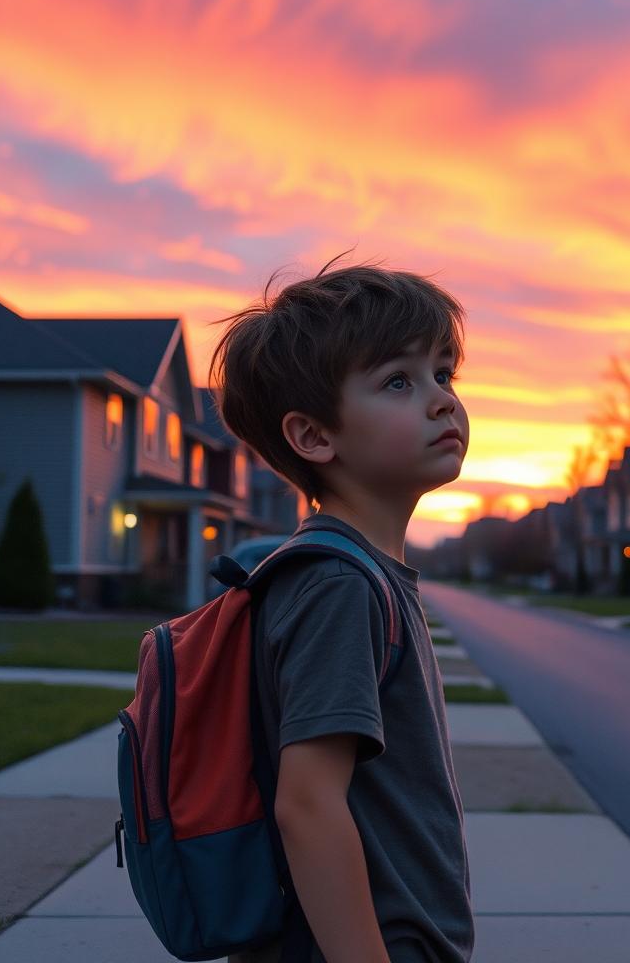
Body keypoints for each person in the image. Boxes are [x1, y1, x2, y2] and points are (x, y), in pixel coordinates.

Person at [209, 254, 474, 963]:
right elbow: (308, 804)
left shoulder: (367, 576)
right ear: (314, 437)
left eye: (443, 374)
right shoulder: (338, 585)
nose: (442, 399)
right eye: (398, 381)